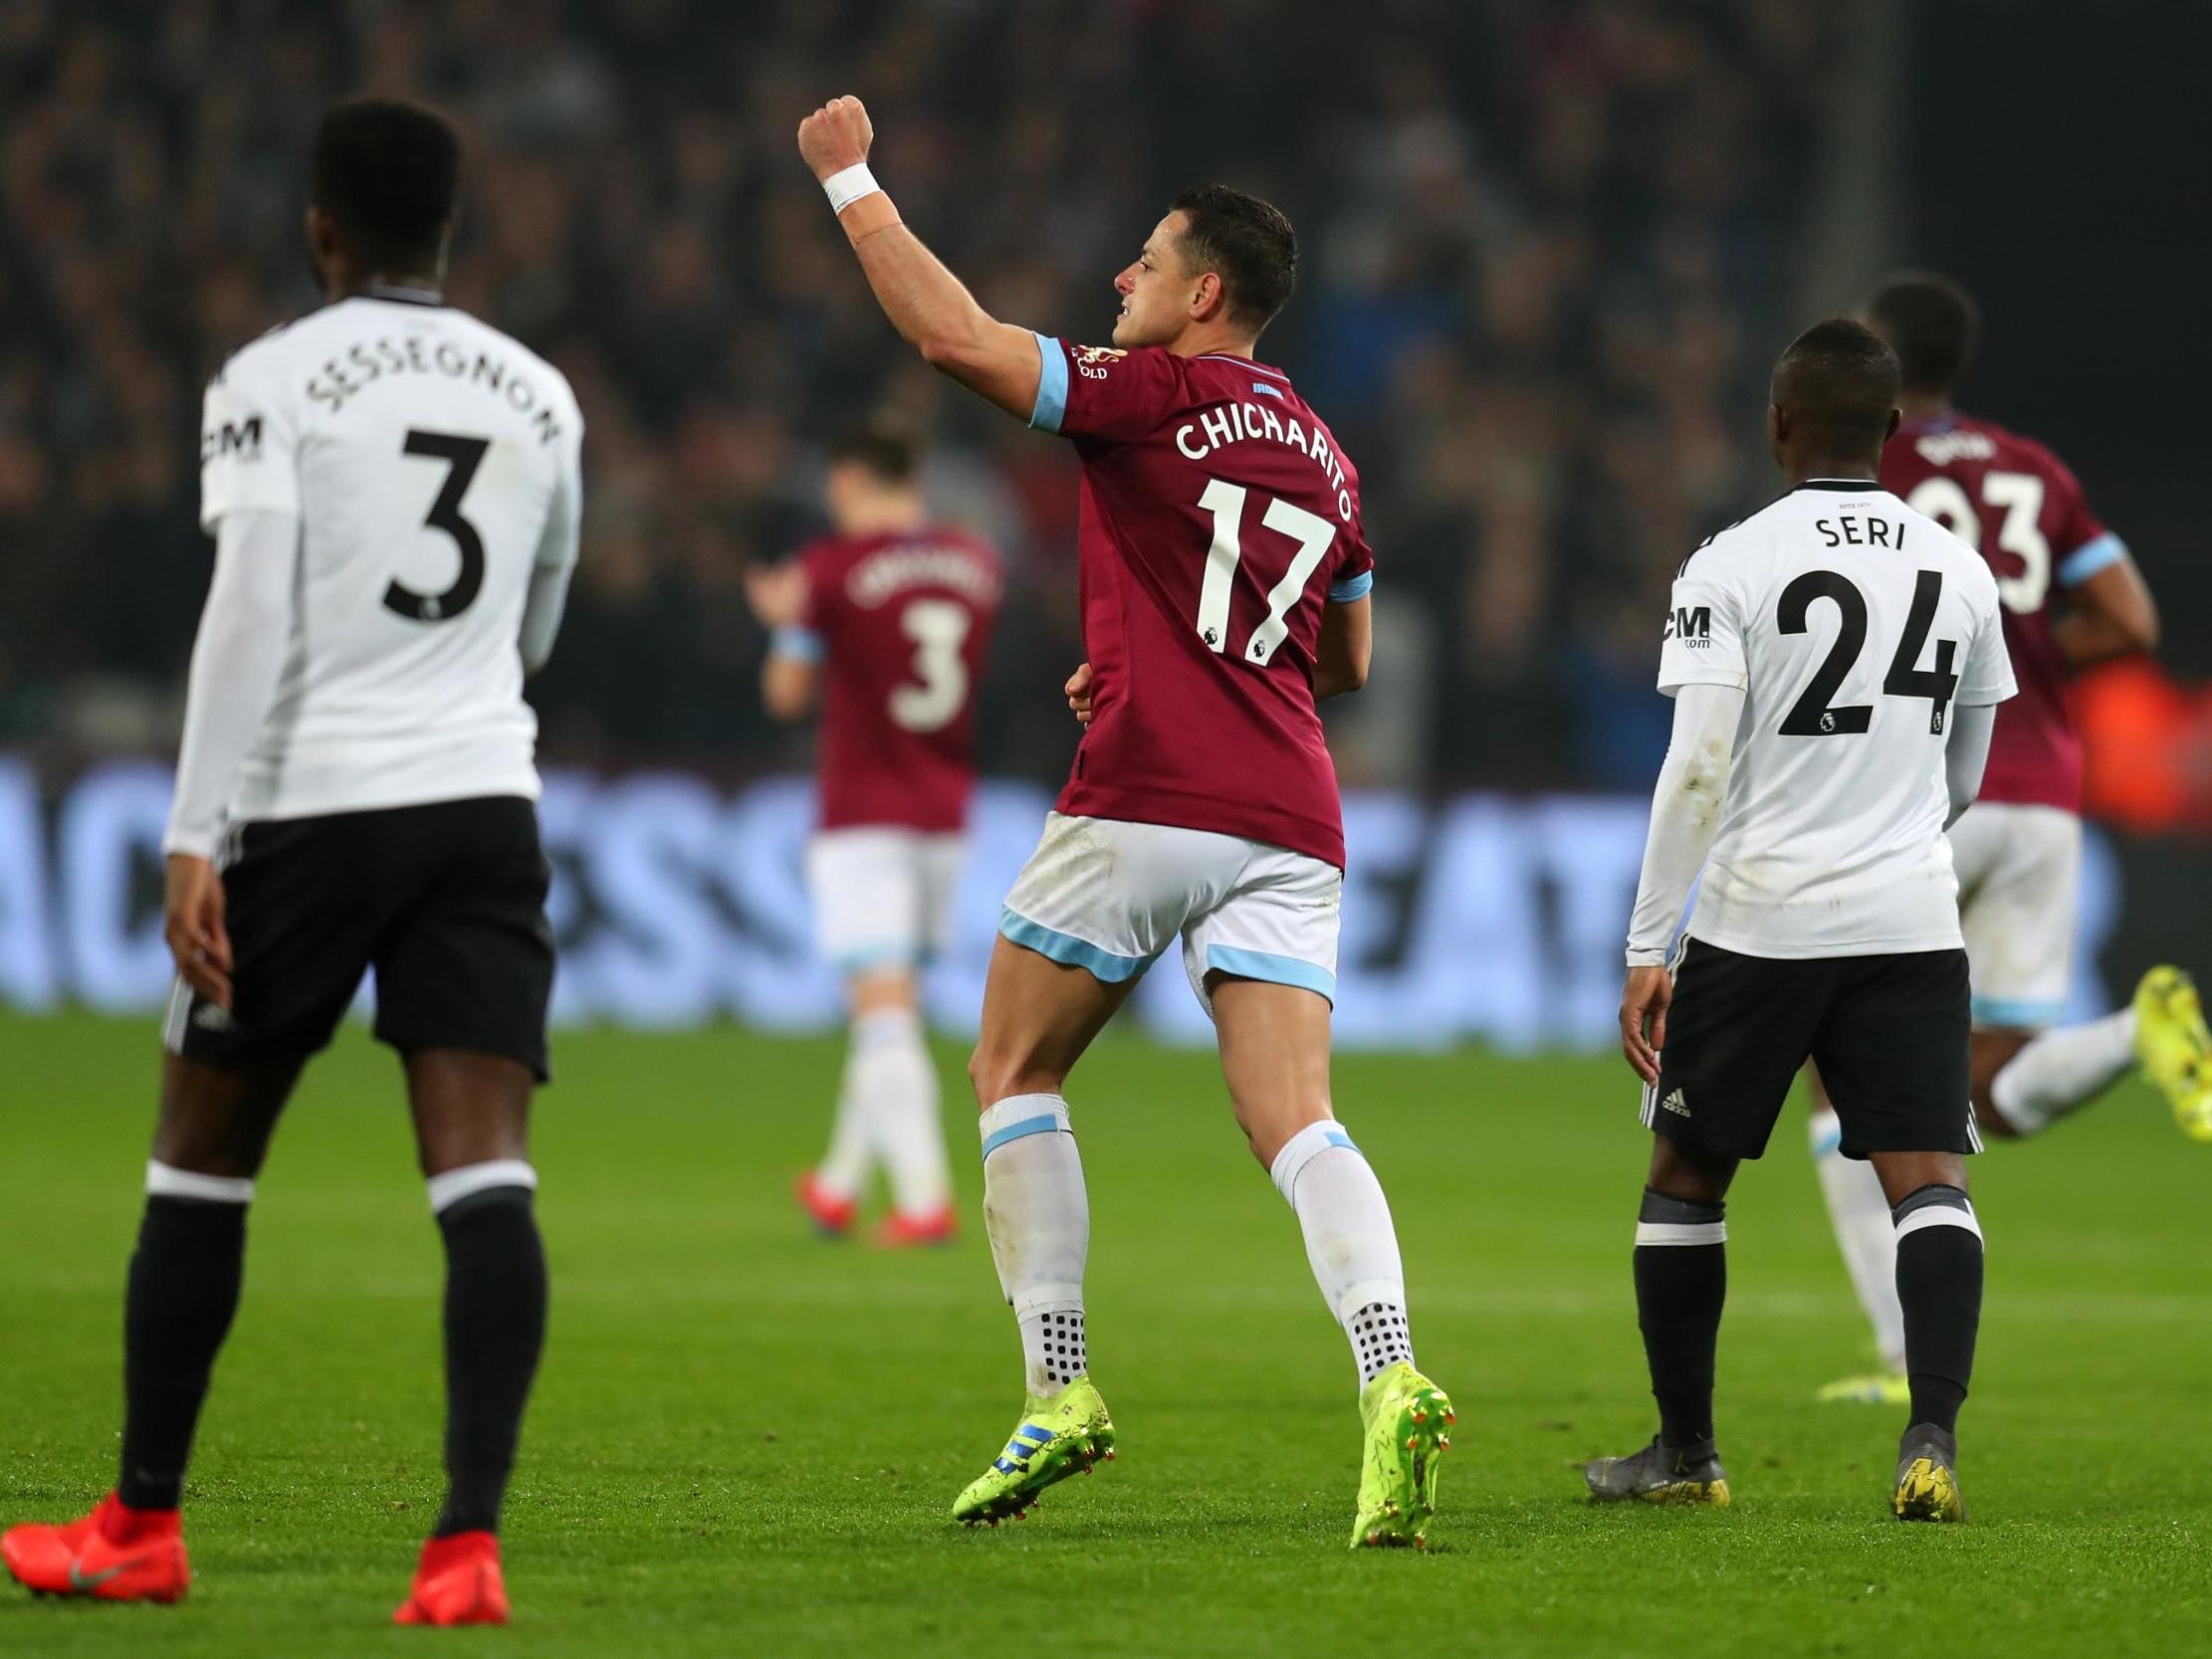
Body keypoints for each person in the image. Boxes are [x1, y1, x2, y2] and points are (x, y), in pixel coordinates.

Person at [794, 95, 1451, 1548]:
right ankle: (1390, 1367)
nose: (1119, 284)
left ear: (1203, 294)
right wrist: (1174, 644)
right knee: (1296, 1116)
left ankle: (1060, 1389)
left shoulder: (1144, 393)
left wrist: (849, 181)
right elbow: (1339, 662)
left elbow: (952, 338)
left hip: (1151, 788)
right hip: (1292, 810)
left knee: (1012, 1061)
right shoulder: (1331, 458)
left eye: (1144, 266)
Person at [0, 98, 583, 1625]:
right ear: (449, 232)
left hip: (304, 806)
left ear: (322, 229)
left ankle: (140, 1522)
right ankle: (464, 1545)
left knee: (198, 1159)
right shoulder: (538, 394)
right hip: (479, 799)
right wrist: (463, 701)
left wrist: (195, 826)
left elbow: (247, 604)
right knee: (486, 1169)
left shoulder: (269, 375)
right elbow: (541, 610)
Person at [1593, 317, 2013, 1522]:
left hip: (1756, 919)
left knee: (1684, 1174)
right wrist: (1886, 837)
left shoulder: (1726, 563)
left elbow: (1693, 770)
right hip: (1908, 918)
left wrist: (1643, 948)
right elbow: (1966, 772)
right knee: (1926, 1177)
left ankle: (1683, 1453)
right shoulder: (1957, 565)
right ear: (1890, 432)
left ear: (1774, 422)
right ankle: (1927, 1431)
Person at [1806, 273, 2212, 1405]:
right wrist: (2023, 650)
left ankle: (1898, 1358)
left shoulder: (1866, 467)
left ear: (1878, 361)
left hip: (1930, 789)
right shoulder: (2036, 471)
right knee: (1989, 1080)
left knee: (1837, 1078)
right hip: (2045, 795)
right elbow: (2128, 618)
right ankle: (2134, 1028)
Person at [744, 420, 1001, 1246]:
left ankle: (925, 1199)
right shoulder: (976, 564)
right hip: (945, 811)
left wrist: (788, 622)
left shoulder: (831, 569)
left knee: (881, 1015)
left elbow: (786, 695)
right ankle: (838, 1182)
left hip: (862, 815)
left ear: (849, 480)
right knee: (891, 1007)